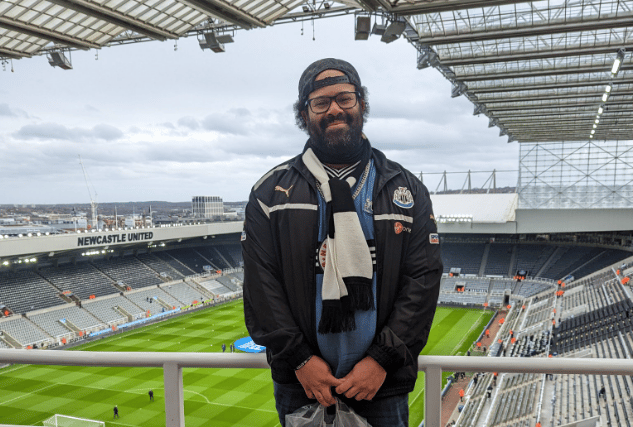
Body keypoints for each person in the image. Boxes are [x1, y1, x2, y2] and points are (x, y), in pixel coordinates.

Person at [242, 58, 443, 427]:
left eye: (345, 98)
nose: (334, 109)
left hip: (380, 385)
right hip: (302, 383)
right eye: (320, 103)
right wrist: (300, 359)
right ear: (304, 115)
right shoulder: (270, 191)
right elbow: (260, 283)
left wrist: (382, 359)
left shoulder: (407, 189)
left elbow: (424, 279)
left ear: (361, 105)